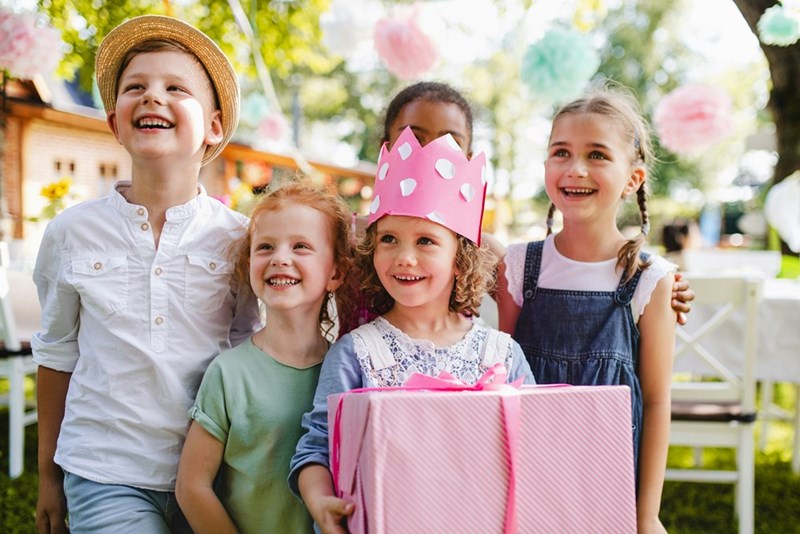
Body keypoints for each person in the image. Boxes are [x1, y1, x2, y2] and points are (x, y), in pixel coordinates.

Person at [32, 15, 261, 533]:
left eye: (175, 88)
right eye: (136, 87)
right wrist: (49, 476)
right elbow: (55, 352)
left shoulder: (242, 239)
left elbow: (251, 347)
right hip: (103, 469)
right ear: (115, 123)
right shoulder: (72, 232)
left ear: (215, 127)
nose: (152, 97)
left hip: (209, 470)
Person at [289, 126, 536, 533]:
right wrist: (320, 501)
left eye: (426, 241)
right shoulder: (356, 354)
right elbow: (317, 445)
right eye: (389, 238)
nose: (404, 257)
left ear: (461, 258)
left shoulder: (502, 354)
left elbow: (531, 443)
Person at [337, 81, 695, 339]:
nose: (432, 152)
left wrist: (659, 289)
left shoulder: (480, 250)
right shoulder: (349, 236)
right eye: (414, 136)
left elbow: (547, 286)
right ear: (388, 145)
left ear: (468, 156)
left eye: (451, 141)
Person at [496, 87, 676, 533]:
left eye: (597, 155)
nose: (575, 169)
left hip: (609, 484)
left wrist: (647, 514)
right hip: (529, 479)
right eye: (562, 152)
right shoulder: (518, 267)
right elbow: (500, 379)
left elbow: (656, 402)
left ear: (632, 179)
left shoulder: (651, 280)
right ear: (545, 167)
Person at [175, 181, 353, 533]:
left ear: (336, 272)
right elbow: (192, 488)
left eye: (301, 246)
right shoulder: (229, 373)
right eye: (265, 247)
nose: (280, 258)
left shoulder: (348, 373)